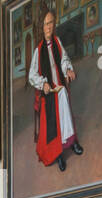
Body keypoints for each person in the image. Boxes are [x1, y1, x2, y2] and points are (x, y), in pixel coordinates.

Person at [28, 10, 83, 173]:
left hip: (60, 85)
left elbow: (64, 59)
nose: (49, 27)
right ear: (42, 27)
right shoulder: (38, 50)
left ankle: (71, 141)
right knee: (58, 103)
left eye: (51, 22)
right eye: (46, 23)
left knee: (64, 97)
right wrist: (43, 84)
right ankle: (58, 153)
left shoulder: (57, 41)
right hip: (48, 92)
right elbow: (32, 75)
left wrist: (68, 70)